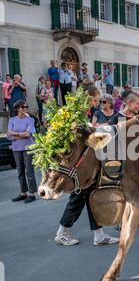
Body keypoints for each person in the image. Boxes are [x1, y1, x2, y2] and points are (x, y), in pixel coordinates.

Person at [55, 88, 118, 247]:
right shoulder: (75, 116)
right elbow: (84, 139)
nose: (97, 104)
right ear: (87, 98)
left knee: (91, 198)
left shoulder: (77, 114)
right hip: (78, 168)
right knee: (78, 199)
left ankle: (98, 235)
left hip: (83, 166)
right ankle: (62, 232)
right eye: (96, 101)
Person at [7, 100, 38, 203]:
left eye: (26, 107)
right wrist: (21, 134)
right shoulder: (12, 120)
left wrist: (15, 134)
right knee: (20, 171)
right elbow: (8, 135)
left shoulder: (30, 120)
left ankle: (32, 193)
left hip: (28, 148)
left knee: (29, 171)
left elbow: (28, 135)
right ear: (17, 109)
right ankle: (23, 193)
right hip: (16, 148)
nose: (25, 109)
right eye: (23, 107)